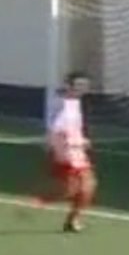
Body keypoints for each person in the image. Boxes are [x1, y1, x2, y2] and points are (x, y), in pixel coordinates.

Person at [37, 73, 96, 233]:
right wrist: (74, 142)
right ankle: (39, 203)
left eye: (85, 85)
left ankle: (72, 219)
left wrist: (81, 139)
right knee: (72, 189)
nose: (82, 89)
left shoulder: (74, 103)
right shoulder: (62, 104)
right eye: (78, 85)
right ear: (69, 85)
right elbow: (56, 129)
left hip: (77, 152)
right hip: (66, 152)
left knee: (87, 186)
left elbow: (72, 127)